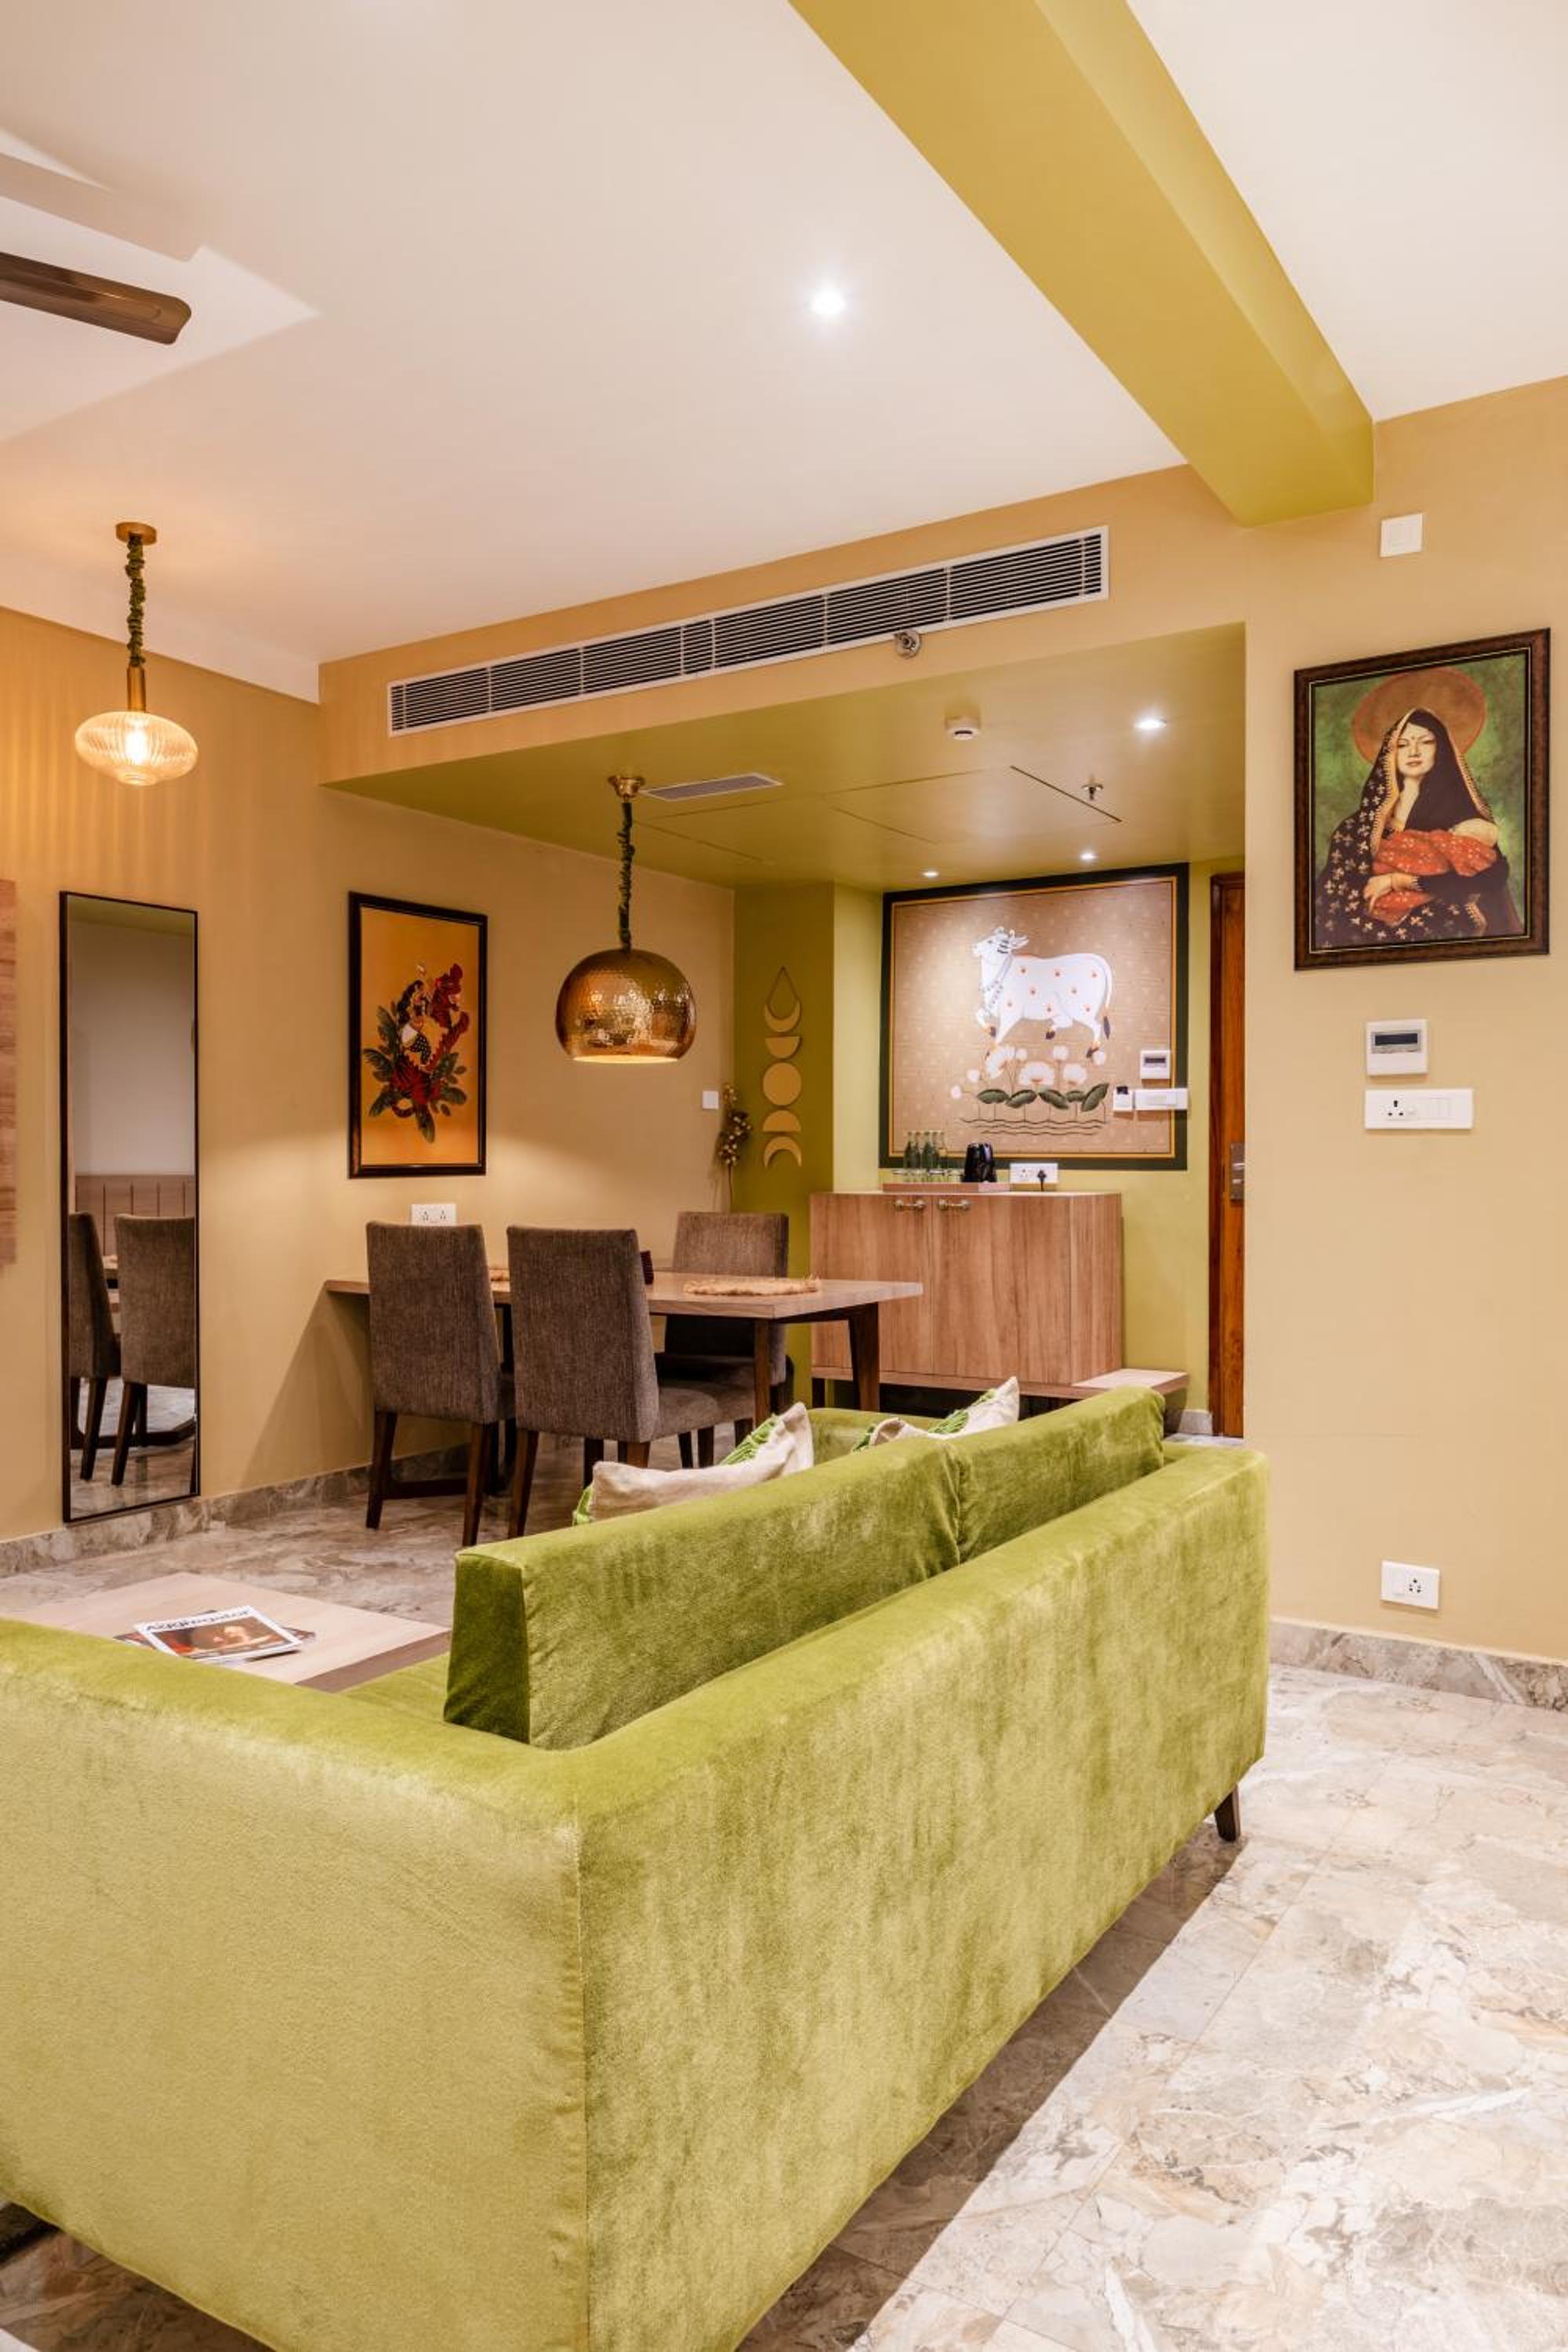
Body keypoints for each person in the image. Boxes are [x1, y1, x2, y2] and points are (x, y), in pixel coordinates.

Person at [1314, 705, 1519, 949]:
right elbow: (1338, 889)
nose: (1413, 751)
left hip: (1443, 931)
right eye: (1402, 745)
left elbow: (1492, 878)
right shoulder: (1360, 824)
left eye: (1426, 742)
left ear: (1440, 749)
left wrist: (1400, 881)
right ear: (1390, 752)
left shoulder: (1461, 815)